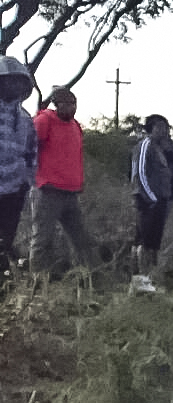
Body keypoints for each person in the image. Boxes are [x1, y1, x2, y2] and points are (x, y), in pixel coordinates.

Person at [30, 86, 94, 273]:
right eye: (67, 104)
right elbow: (32, 149)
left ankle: (86, 280)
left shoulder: (75, 126)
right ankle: (37, 283)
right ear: (57, 105)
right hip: (47, 191)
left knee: (81, 240)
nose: (71, 108)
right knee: (42, 239)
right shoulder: (44, 121)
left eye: (74, 104)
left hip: (70, 192)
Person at [130, 114, 173, 293]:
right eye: (160, 127)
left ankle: (148, 281)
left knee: (153, 242)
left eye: (166, 127)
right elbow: (140, 174)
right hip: (148, 200)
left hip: (159, 200)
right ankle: (138, 281)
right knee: (143, 240)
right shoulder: (145, 145)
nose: (164, 131)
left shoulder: (159, 149)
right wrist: (151, 198)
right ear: (151, 128)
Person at [0, 56, 36, 283]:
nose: (15, 85)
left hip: (14, 190)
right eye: (9, 80)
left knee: (5, 239)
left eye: (19, 81)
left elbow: (32, 153)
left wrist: (27, 183)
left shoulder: (25, 118)